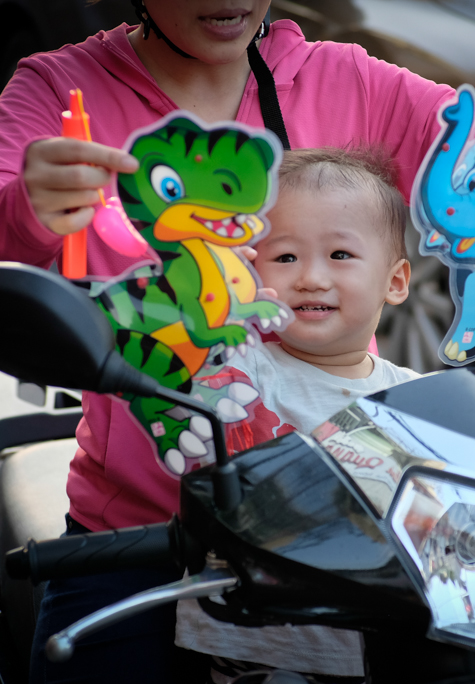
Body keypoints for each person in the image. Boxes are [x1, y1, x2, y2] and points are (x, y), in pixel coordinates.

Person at [0, 3, 475, 682]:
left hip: (345, 548)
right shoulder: (59, 86)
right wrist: (28, 205)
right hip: (141, 539)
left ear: (398, 280)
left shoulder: (349, 82)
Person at [174, 146, 417, 683]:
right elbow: (196, 438)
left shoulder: (415, 398)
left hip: (386, 645)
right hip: (261, 648)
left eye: (340, 256)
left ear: (395, 281)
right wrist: (224, 333)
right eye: (285, 258)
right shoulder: (247, 372)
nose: (310, 277)